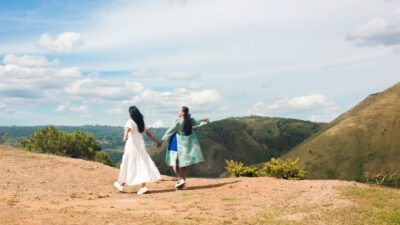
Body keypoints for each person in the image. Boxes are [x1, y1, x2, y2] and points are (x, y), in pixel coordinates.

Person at [113, 106, 162, 194]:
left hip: (132, 145)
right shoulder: (142, 122)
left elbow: (127, 130)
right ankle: (142, 187)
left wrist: (124, 137)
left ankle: (121, 184)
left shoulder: (130, 121)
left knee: (128, 163)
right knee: (141, 163)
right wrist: (157, 141)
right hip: (140, 145)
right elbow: (148, 133)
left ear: (131, 113)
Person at [161, 106, 209, 189]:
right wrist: (203, 120)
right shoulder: (189, 120)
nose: (178, 112)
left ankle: (180, 179)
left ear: (183, 113)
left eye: (179, 111)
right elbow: (196, 121)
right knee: (183, 164)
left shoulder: (177, 121)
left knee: (173, 162)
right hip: (185, 145)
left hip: (176, 143)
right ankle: (183, 183)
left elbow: (169, 131)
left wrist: (161, 140)